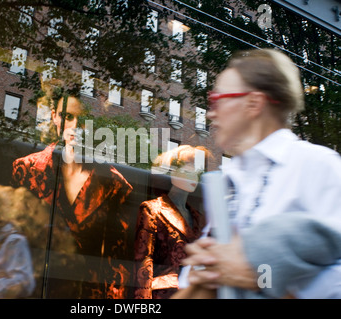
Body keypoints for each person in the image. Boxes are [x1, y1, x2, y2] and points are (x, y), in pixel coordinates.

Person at [175, 48, 341, 299]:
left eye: (218, 99)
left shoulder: (318, 165)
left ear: (253, 103)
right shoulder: (228, 181)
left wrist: (262, 277)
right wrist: (203, 273)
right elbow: (198, 279)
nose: (210, 111)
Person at [12, 87, 133, 299]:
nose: (75, 126)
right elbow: (11, 243)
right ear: (54, 118)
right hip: (33, 289)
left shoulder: (115, 185)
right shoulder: (26, 170)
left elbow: (116, 264)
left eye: (83, 119)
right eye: (67, 117)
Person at [133, 145, 207, 299]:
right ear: (172, 173)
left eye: (196, 172)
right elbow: (143, 263)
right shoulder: (152, 210)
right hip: (164, 294)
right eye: (187, 170)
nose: (193, 176)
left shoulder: (199, 219)